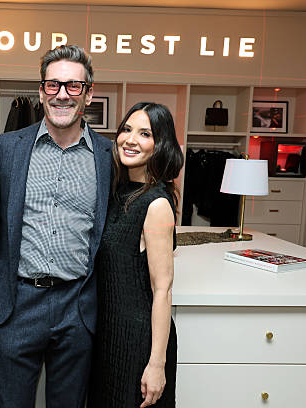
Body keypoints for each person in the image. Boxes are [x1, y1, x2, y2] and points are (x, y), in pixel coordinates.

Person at [0, 45, 113, 408]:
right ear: (41, 91)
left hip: (78, 306)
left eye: (74, 86)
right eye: (53, 84)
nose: (62, 94)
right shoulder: (9, 148)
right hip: (17, 305)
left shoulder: (108, 156)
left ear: (88, 94)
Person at [89, 102, 184, 408]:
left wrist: (156, 364)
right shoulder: (117, 191)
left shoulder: (156, 204)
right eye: (127, 130)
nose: (130, 140)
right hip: (109, 337)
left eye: (145, 134)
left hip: (138, 343)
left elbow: (162, 289)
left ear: (160, 145)